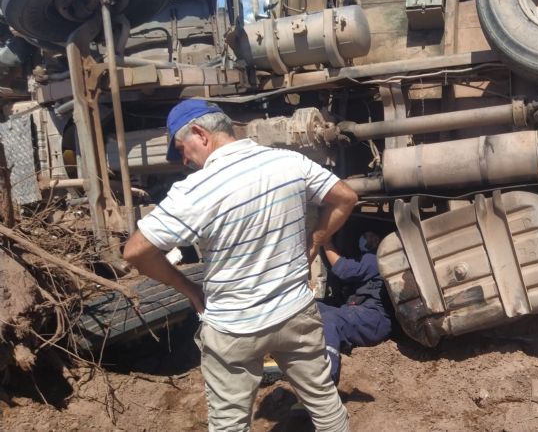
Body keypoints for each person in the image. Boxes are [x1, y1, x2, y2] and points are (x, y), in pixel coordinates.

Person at [123, 99, 357, 432]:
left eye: (182, 149)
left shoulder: (194, 192)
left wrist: (189, 289)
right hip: (295, 313)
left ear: (201, 135)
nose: (184, 161)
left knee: (228, 425)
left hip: (234, 329)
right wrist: (316, 239)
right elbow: (346, 197)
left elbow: (134, 251)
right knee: (323, 400)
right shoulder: (289, 162)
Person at [317, 232, 393, 384]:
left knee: (330, 320)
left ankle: (326, 381)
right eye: (365, 234)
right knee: (313, 308)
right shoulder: (366, 258)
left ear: (380, 240)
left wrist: (327, 244)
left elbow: (345, 270)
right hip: (361, 312)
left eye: (371, 235)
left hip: (375, 319)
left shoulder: (376, 257)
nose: (366, 238)